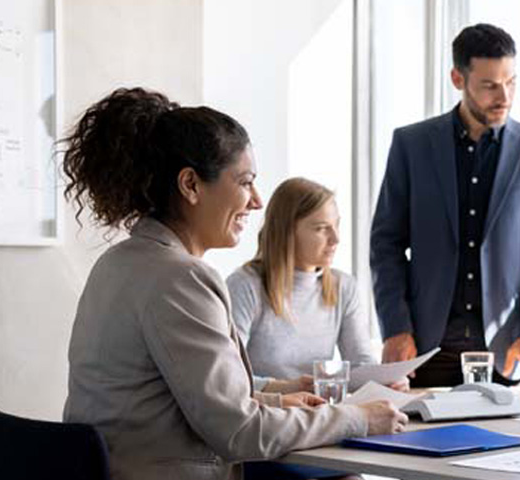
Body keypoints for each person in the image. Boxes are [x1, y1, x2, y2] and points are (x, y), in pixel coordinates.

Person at [61, 88, 406, 480]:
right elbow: (239, 433)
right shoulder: (180, 278)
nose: (257, 201)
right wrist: (357, 418)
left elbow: (177, 403)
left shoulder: (118, 263)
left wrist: (275, 401)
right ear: (190, 185)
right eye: (245, 182)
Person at [371, 23, 520, 387]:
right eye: (489, 85)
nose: (504, 96)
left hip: (507, 354)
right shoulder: (411, 145)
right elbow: (386, 244)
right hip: (425, 352)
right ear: (458, 79)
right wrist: (395, 328)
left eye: (511, 82)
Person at [227, 177, 406, 480]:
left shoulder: (342, 286)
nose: (335, 238)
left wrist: (383, 381)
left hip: (322, 434)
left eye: (336, 225)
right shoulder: (245, 287)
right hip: (269, 438)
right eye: (322, 228)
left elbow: (360, 365)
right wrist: (287, 387)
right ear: (287, 231)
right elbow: (229, 382)